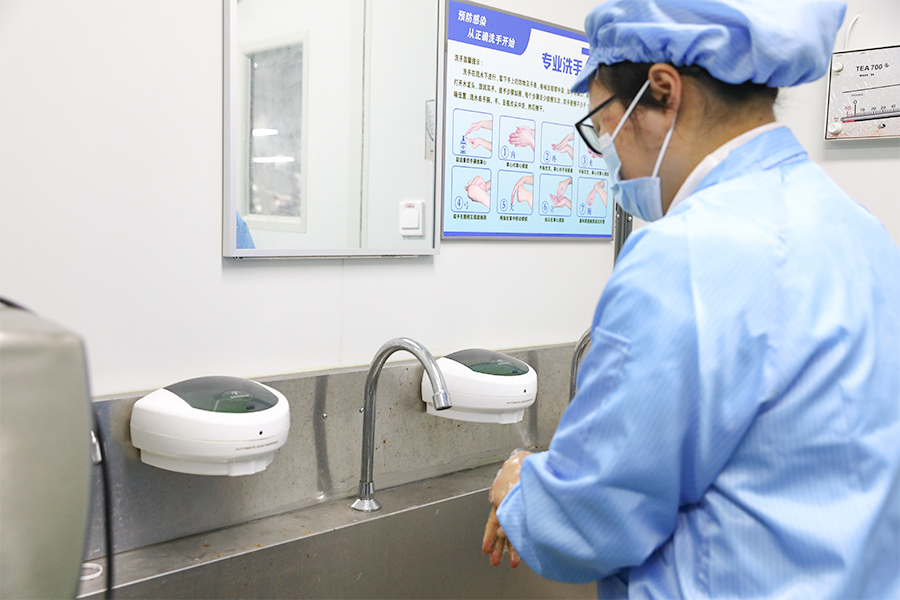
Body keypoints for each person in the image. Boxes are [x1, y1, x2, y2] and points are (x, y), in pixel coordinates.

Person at [482, 1, 900, 598]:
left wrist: (520, 490)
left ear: (662, 91)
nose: (608, 153)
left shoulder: (681, 257)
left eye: (603, 124)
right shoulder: (861, 231)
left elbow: (592, 518)